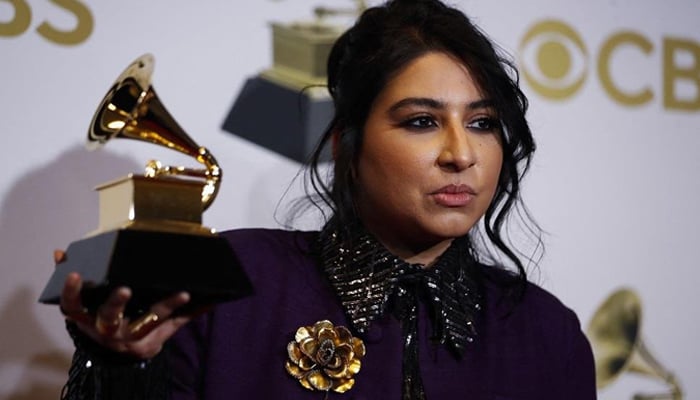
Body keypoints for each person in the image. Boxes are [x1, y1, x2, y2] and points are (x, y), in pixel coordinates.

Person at [57, 0, 597, 399]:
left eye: (482, 123)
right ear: (345, 143)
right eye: (422, 121)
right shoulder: (227, 283)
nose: (461, 153)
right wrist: (121, 368)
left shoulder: (547, 333)